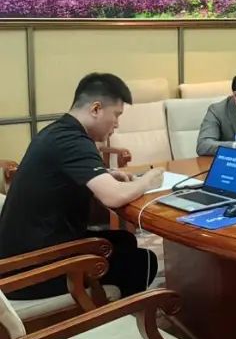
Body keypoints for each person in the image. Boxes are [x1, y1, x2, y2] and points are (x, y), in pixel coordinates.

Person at [0, 73, 164, 300]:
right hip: (29, 273)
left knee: (123, 240)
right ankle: (117, 316)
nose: (117, 124)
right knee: (143, 261)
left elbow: (63, 175)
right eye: (116, 115)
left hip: (20, 254)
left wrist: (106, 174)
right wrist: (148, 180)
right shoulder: (74, 141)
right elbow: (113, 197)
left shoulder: (57, 132)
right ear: (96, 109)